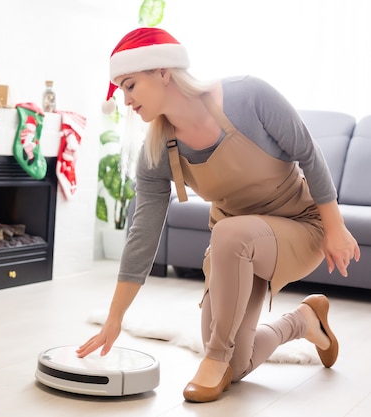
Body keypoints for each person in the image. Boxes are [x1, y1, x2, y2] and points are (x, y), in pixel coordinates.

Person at [77, 27, 360, 403]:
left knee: (219, 339)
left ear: (163, 71)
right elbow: (143, 232)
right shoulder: (159, 148)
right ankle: (304, 321)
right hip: (237, 252)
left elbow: (309, 153)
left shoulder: (247, 96)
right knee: (236, 365)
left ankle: (212, 357)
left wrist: (335, 226)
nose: (125, 99)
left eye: (130, 85)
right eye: (121, 90)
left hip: (298, 226)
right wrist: (115, 318)